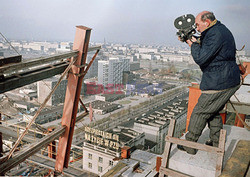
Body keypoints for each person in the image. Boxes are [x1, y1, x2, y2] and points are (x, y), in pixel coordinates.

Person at [177, 11, 240, 154]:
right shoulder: (217, 30)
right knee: (212, 111)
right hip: (225, 78)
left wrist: (190, 43)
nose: (197, 28)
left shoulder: (215, 33)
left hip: (220, 81)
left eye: (198, 24)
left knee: (199, 112)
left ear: (206, 22)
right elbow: (206, 48)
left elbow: (201, 57)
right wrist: (192, 40)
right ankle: (216, 142)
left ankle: (190, 144)